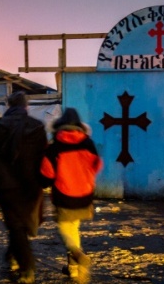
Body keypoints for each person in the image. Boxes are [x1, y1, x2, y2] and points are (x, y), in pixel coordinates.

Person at [0, 91, 48, 284]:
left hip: (7, 187)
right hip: (31, 187)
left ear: (9, 106)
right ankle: (14, 256)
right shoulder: (37, 126)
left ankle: (27, 268)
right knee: (20, 224)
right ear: (26, 106)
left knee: (15, 225)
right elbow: (44, 158)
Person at [39, 108, 103, 284]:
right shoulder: (88, 143)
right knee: (74, 228)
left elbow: (46, 176)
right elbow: (96, 165)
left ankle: (78, 256)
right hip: (85, 195)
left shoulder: (54, 147)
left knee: (66, 230)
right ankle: (73, 269)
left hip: (64, 196)